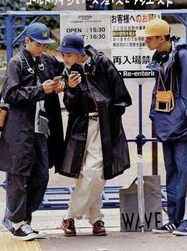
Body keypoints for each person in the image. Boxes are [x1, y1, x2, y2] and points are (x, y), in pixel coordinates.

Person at [0, 22, 65, 241]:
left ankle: (24, 221)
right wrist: (40, 89)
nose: (42, 48)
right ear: (27, 41)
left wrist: (61, 82)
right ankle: (16, 223)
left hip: (40, 129)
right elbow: (11, 94)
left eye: (45, 44)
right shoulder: (16, 63)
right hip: (19, 129)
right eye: (38, 44)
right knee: (18, 176)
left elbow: (63, 70)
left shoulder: (46, 60)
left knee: (41, 176)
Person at [56, 33, 132, 237]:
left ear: (79, 53)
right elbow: (71, 107)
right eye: (62, 54)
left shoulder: (102, 63)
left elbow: (121, 96)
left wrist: (110, 113)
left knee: (94, 171)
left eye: (68, 54)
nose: (64, 58)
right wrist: (71, 89)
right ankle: (97, 219)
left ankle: (70, 216)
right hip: (80, 126)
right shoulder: (69, 70)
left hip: (104, 125)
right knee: (83, 173)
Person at [140, 18, 187, 236]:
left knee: (186, 168)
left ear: (161, 37)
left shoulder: (183, 56)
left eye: (149, 38)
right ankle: (175, 218)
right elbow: (158, 90)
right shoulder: (160, 58)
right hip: (168, 121)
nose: (146, 41)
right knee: (173, 169)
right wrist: (154, 114)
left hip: (182, 121)